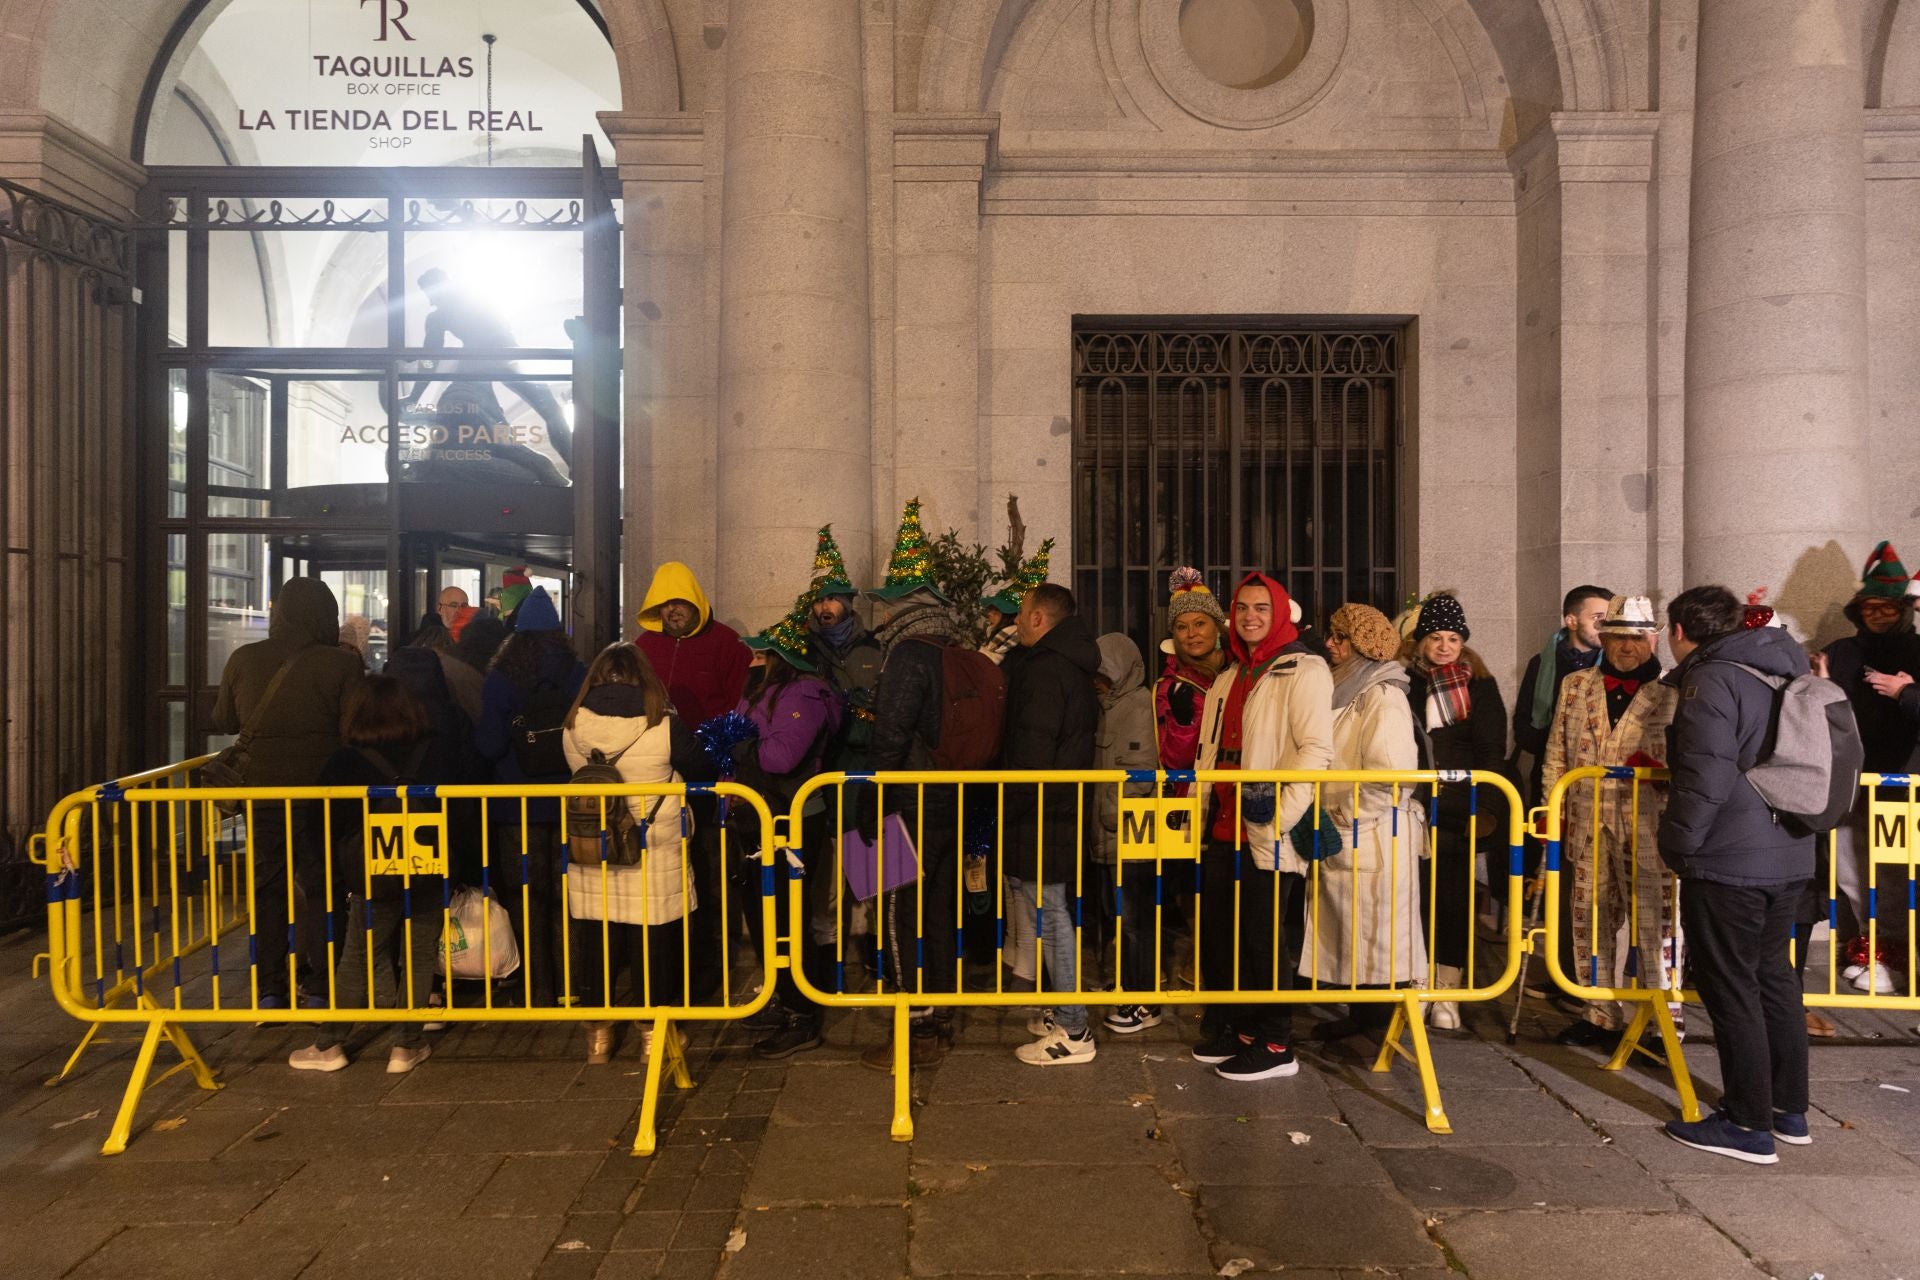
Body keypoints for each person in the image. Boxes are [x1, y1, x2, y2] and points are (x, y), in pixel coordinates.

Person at [1657, 585, 1813, 1164]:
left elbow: (1704, 775)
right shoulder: (1786, 668)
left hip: (1729, 858)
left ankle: (1748, 1124)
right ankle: (1788, 1109)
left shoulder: (1713, 679)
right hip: (1789, 849)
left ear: (1679, 632)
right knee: (1775, 978)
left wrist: (1678, 844)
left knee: (1732, 986)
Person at [289, 675, 477, 1074]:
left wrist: (337, 874)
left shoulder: (345, 761)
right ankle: (405, 1046)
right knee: (420, 955)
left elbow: (322, 825)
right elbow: (464, 814)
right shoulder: (438, 752)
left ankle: (330, 1044)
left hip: (373, 875)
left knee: (358, 955)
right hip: (430, 870)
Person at [1193, 572, 1335, 1081]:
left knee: (1264, 939)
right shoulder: (1232, 673)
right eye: (1243, 607)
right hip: (1223, 823)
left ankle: (1276, 1043)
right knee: (1224, 936)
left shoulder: (1304, 668)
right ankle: (1242, 1029)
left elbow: (1315, 750)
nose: (1250, 616)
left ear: (1279, 614)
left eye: (1261, 608)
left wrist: (1281, 816)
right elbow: (1211, 750)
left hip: (1266, 825)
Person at [211, 576, 364, 1010]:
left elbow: (224, 720)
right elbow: (352, 728)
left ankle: (270, 989)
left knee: (269, 887)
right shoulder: (341, 664)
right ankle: (320, 987)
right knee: (321, 886)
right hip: (321, 794)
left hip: (262, 793)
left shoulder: (244, 658)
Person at [1540, 594, 1682, 1047]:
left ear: (1653, 640)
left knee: (1657, 925)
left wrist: (1661, 770)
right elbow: (1556, 752)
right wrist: (1552, 811)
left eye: (1637, 638)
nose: (1626, 646)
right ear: (1602, 638)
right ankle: (1599, 1013)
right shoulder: (1576, 684)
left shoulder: (1673, 689)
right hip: (1586, 823)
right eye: (1618, 636)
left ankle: (1661, 1022)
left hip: (1650, 827)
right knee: (1590, 921)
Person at [563, 643, 707, 1065]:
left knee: (596, 939)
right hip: (652, 845)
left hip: (593, 845)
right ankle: (652, 1036)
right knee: (653, 941)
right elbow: (700, 766)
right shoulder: (661, 724)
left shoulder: (572, 724)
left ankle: (598, 1038)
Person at [859, 497, 965, 1068]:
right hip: (947, 798)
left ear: (900, 606)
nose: (879, 615)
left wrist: (868, 793)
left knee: (900, 912)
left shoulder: (908, 654)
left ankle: (914, 1026)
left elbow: (891, 733)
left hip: (908, 798)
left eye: (884, 604)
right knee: (938, 908)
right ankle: (940, 1014)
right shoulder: (950, 647)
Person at [1305, 603, 1424, 1043]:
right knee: (1359, 936)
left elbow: (1391, 773)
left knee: (1377, 938)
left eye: (1340, 637)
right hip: (1355, 832)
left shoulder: (1382, 695)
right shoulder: (1350, 687)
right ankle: (1364, 1018)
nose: (1331, 644)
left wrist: (1343, 816)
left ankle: (1377, 1025)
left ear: (1362, 645)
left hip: (1372, 833)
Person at [634, 561, 752, 1004]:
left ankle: (710, 966)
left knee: (710, 870)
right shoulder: (644, 646)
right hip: (656, 778)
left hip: (708, 777)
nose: (673, 610)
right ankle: (670, 964)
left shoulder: (726, 644)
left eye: (680, 602)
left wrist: (729, 769)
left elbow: (742, 708)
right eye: (665, 604)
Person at [995, 585, 1103, 1065]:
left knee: (1051, 915)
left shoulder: (1045, 670)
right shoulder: (1068, 664)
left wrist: (1010, 803)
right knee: (1049, 913)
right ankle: (1063, 1013)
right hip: (1051, 808)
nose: (1016, 622)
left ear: (1039, 618)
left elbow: (1031, 751)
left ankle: (1074, 1029)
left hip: (1039, 810)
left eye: (1021, 613)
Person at [735, 598, 845, 1058]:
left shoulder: (802, 695)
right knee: (763, 914)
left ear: (781, 658)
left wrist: (737, 745)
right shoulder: (766, 690)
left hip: (790, 817)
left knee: (785, 917)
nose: (755, 658)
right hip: (758, 815)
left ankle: (801, 1013)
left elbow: (781, 757)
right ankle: (781, 996)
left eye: (763, 653)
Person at [1811, 542, 1920, 995]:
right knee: (1848, 872)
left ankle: (1896, 957)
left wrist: (1905, 693)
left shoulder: (1917, 651)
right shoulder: (1840, 652)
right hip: (1848, 784)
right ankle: (1871, 948)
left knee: (1893, 876)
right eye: (1869, 607)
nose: (1877, 615)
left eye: (1887, 607)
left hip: (1902, 785)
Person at [473, 587, 586, 1007]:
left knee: (526, 896)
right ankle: (572, 984)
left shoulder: (502, 676)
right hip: (567, 801)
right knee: (566, 895)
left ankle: (537, 990)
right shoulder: (578, 672)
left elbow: (489, 744)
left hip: (516, 804)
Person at [1400, 593, 1508, 1030]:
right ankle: (1417, 980)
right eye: (1436, 638)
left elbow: (1491, 749)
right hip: (1412, 804)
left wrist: (1485, 806)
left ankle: (1448, 988)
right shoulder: (1404, 680)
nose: (1444, 647)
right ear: (1421, 640)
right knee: (1413, 896)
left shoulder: (1479, 684)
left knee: (1453, 898)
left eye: (1453, 639)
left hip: (1459, 809)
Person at [408, 267, 574, 467]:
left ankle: (572, 466)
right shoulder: (468, 301)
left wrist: (415, 396)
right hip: (501, 358)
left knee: (545, 413)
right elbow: (430, 359)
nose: (431, 300)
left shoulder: (447, 312)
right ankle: (572, 466)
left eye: (430, 293)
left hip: (486, 362)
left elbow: (430, 360)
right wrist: (414, 396)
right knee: (545, 413)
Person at [1089, 632, 1159, 1030]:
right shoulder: (1108, 706)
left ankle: (1143, 999)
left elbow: (1140, 770)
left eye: (1105, 674)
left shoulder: (1137, 704)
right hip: (1108, 833)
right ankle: (1125, 984)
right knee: (1118, 915)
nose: (1099, 681)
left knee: (1135, 921)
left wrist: (1113, 815)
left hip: (1128, 833)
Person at [979, 539, 1053, 668]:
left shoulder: (1018, 649)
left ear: (1011, 616)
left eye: (996, 610)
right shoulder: (998, 643)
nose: (989, 614)